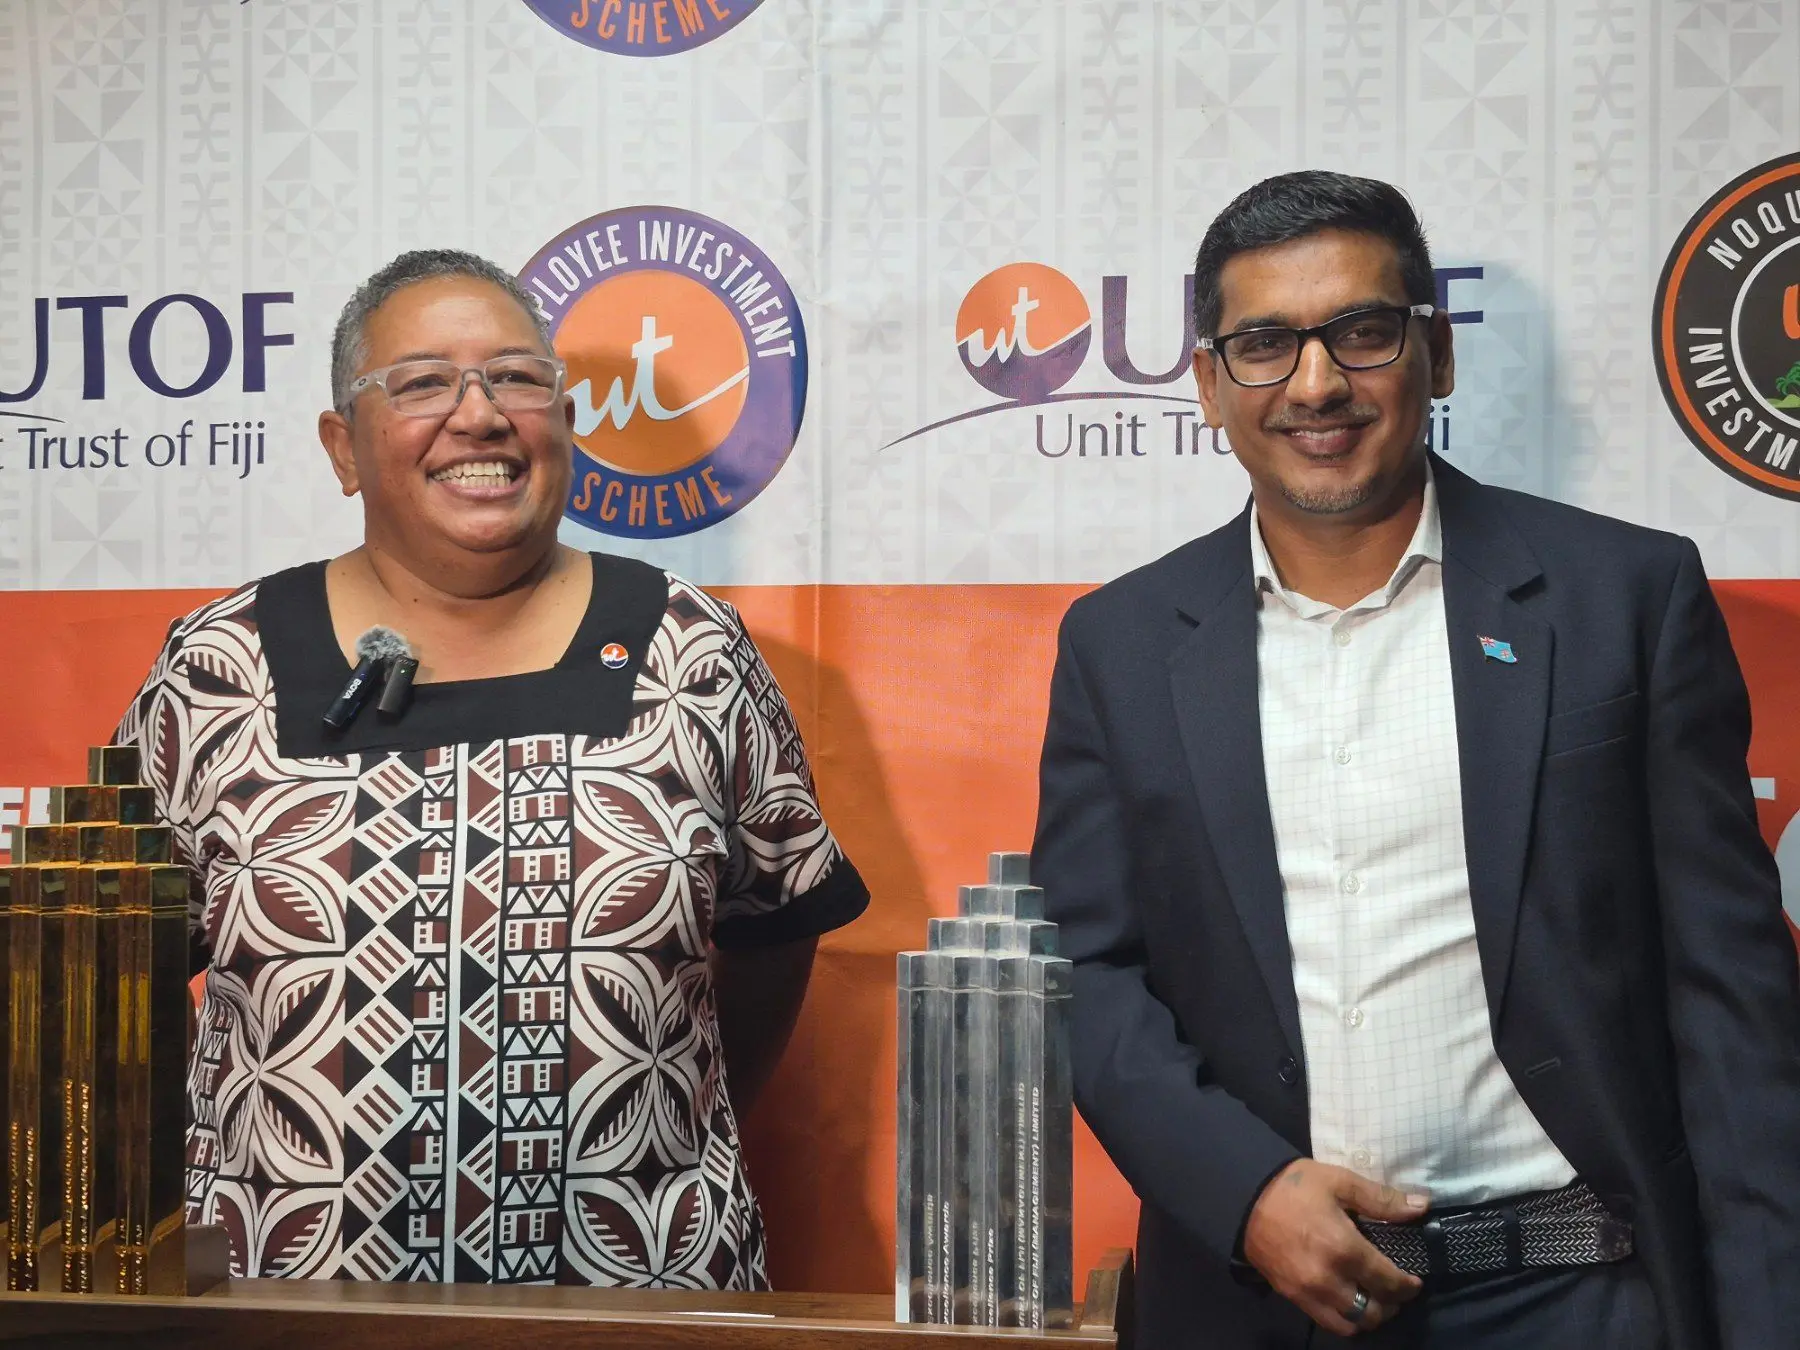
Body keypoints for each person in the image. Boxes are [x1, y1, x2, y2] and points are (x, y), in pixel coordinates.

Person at [1032, 171, 1800, 1348]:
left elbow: (1732, 1002)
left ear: (1435, 356)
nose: (1318, 382)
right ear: (1206, 385)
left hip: (1578, 1293)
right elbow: (1086, 972)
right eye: (1265, 344)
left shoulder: (1622, 600)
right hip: (1256, 1302)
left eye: (1363, 331)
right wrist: (1243, 1194)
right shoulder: (1122, 645)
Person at [114, 249, 868, 1286]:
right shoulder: (218, 666)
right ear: (343, 448)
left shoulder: (691, 649)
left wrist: (645, 1112)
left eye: (517, 377)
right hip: (280, 1312)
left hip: (641, 1302)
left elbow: (777, 935)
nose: (480, 415)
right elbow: (107, 971)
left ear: (563, 421)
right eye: (422, 383)